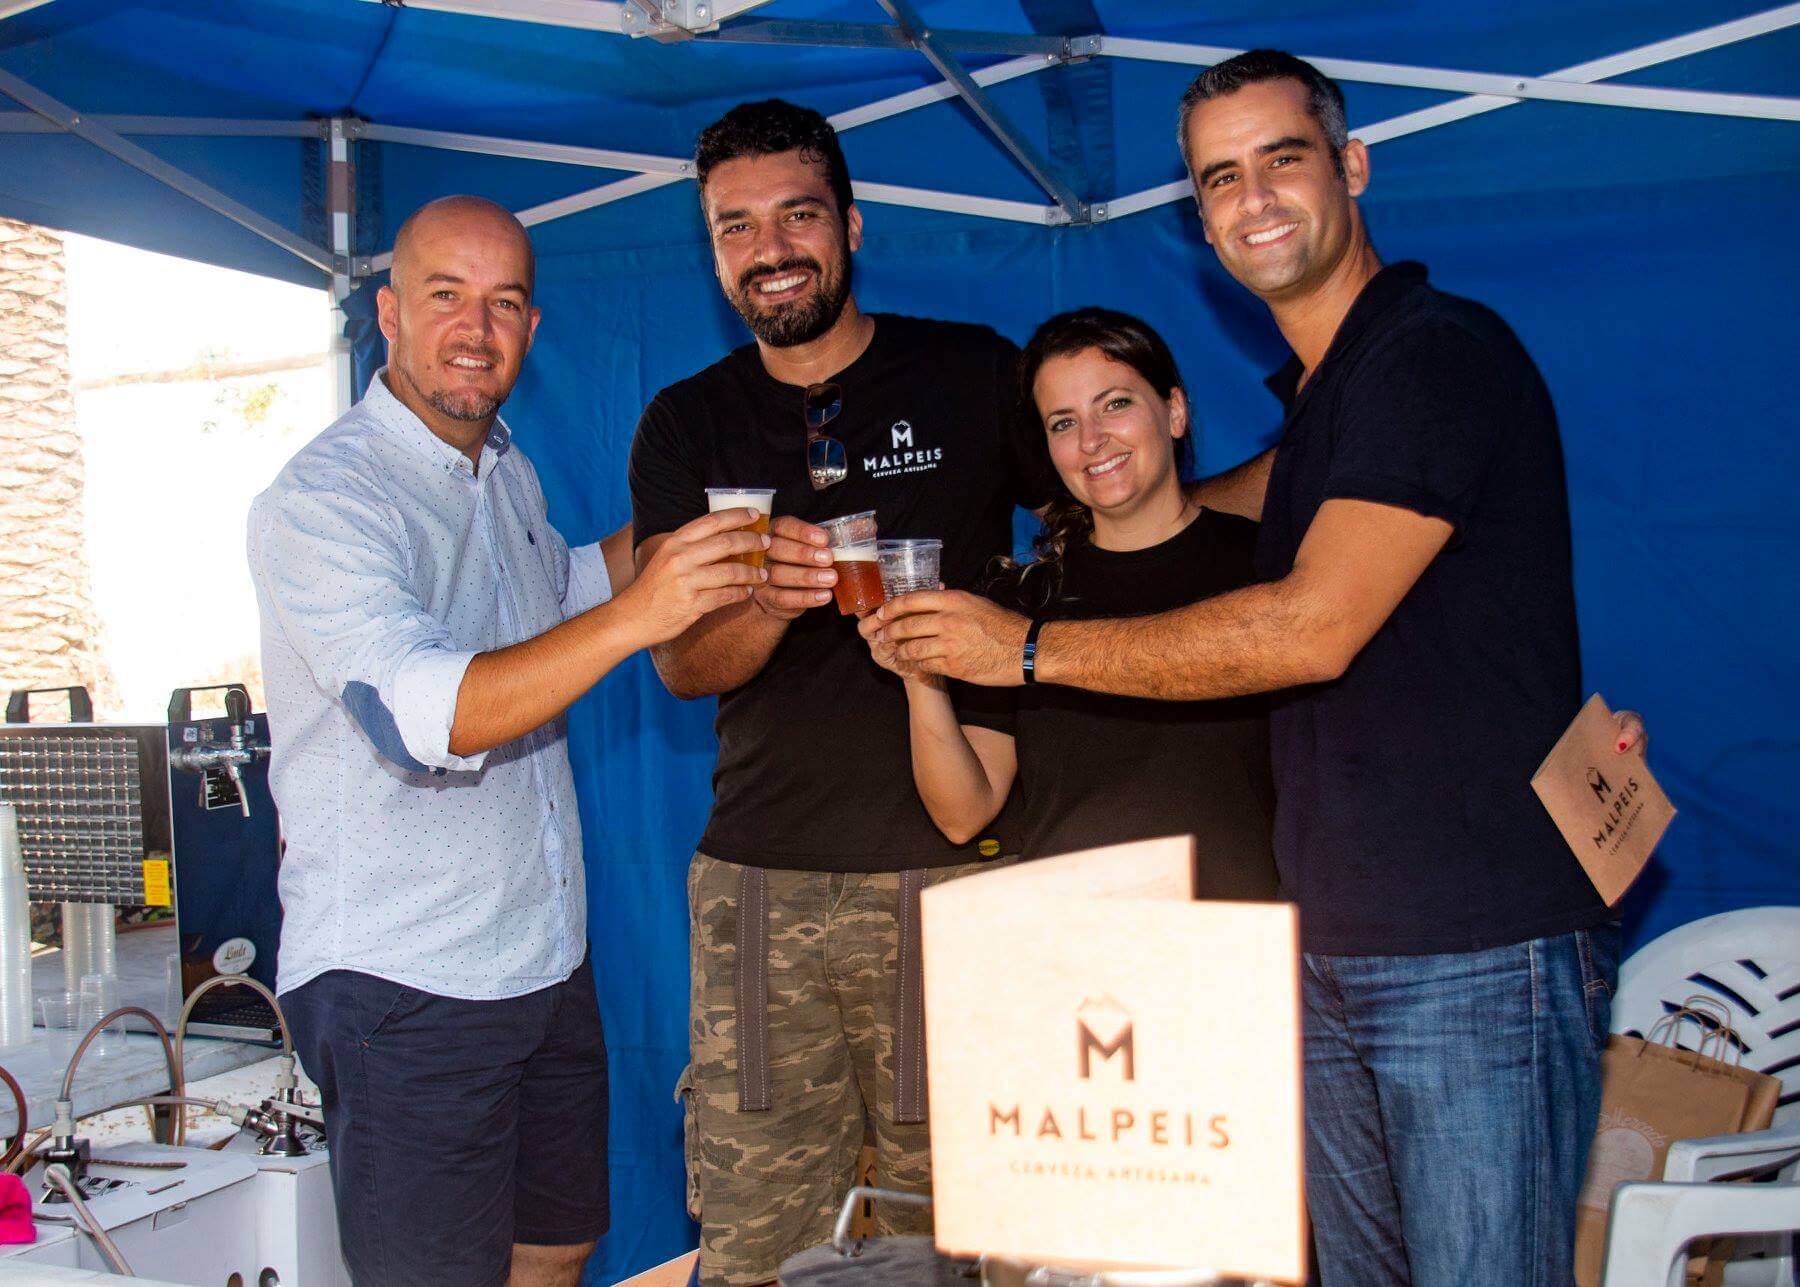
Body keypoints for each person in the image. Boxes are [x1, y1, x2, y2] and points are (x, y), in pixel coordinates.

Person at [871, 52, 1645, 1285]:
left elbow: (1309, 628)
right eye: (1220, 177)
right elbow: (1272, 530)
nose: (1254, 197)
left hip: (1467, 950)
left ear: (1352, 166)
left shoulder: (1431, 354)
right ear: (1198, 215)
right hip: (1319, 951)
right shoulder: (1327, 405)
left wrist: (1017, 650)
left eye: (1281, 158)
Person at [248, 195, 766, 1287]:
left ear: (533, 328)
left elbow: (560, 595)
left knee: (555, 1251)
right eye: (446, 295)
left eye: (503, 303)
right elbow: (422, 715)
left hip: (539, 960)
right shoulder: (326, 500)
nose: (475, 329)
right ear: (388, 312)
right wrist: (646, 612)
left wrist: (696, 528)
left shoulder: (505, 470)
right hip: (404, 982)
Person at [627, 100, 1052, 1286]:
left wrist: (1034, 640)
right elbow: (680, 667)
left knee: (970, 1233)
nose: (770, 249)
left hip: (953, 875)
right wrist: (770, 598)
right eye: (736, 226)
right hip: (760, 891)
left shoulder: (974, 373)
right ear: (713, 251)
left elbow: (1105, 515)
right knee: (765, 1250)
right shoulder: (687, 423)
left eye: (798, 215)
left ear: (852, 226)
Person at [865, 306, 1278, 898]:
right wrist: (917, 674)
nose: (1091, 440)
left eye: (1115, 404)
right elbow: (963, 814)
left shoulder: (1268, 566)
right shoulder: (1020, 601)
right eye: (1063, 423)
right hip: (1070, 936)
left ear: (1175, 411)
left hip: (1236, 928)